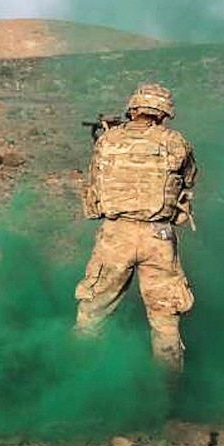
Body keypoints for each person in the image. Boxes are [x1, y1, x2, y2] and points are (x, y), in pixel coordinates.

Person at [75, 83, 198, 374]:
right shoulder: (176, 142)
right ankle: (169, 392)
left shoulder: (107, 142)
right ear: (164, 111)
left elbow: (94, 183)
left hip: (116, 236)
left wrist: (109, 136)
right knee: (165, 318)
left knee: (94, 311)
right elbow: (189, 178)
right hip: (159, 238)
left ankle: (77, 377)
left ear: (134, 108)